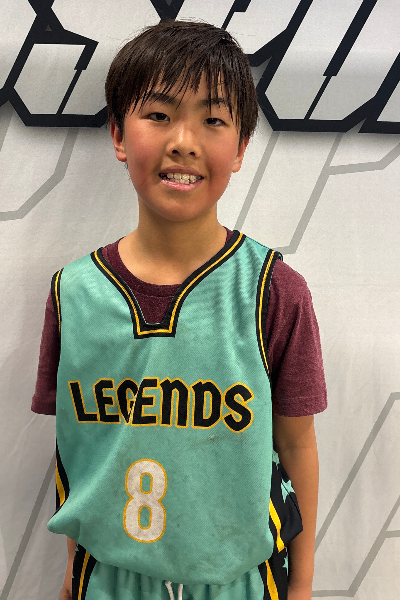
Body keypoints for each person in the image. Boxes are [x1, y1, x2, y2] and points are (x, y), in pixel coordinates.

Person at [31, 19, 327, 600]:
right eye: (159, 114)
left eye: (212, 120)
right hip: (106, 577)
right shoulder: (73, 292)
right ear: (119, 134)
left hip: (238, 581)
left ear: (241, 147)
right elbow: (79, 449)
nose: (184, 141)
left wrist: (304, 582)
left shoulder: (274, 291)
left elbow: (297, 445)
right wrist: (72, 568)